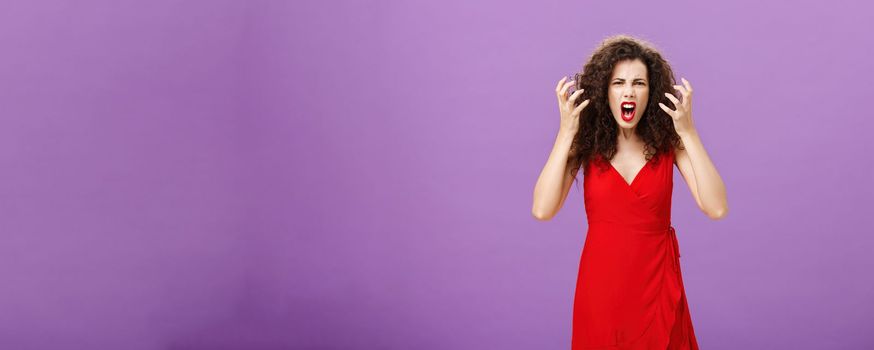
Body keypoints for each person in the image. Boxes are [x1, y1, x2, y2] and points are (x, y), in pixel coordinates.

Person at [531, 34, 728, 349]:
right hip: (601, 290)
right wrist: (566, 132)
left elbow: (716, 206)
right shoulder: (585, 146)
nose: (629, 91)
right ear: (604, 92)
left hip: (657, 285)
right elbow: (542, 209)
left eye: (639, 83)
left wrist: (688, 132)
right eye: (618, 82)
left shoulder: (668, 145)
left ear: (651, 92)